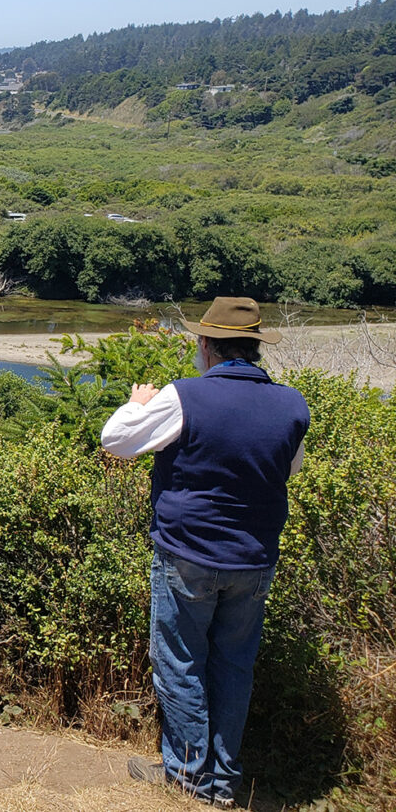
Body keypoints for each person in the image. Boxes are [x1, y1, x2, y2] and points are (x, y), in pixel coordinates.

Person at [101, 297, 310, 808]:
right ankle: (222, 781)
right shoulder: (292, 405)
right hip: (254, 559)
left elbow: (115, 440)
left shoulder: (184, 396)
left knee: (180, 661)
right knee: (234, 666)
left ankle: (190, 777)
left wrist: (138, 403)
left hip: (188, 554)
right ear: (254, 348)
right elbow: (289, 470)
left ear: (207, 346)